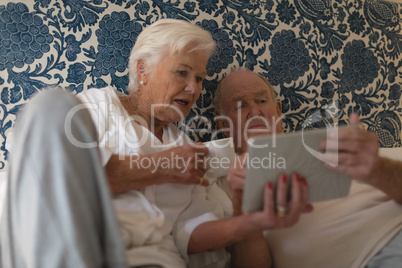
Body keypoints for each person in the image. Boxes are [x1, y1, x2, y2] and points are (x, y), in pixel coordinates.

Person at [1, 20, 311, 268]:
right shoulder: (91, 109)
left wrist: (251, 221)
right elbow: (41, 168)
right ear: (142, 69)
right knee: (50, 106)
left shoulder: (190, 150)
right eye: (181, 72)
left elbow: (191, 233)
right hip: (77, 233)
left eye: (200, 78)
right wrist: (161, 166)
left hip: (150, 257)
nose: (193, 88)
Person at [214, 69, 402, 268]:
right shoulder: (222, 191)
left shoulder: (353, 151)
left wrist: (378, 169)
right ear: (223, 125)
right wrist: (245, 211)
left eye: (261, 101)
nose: (255, 112)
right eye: (240, 106)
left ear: (278, 110)